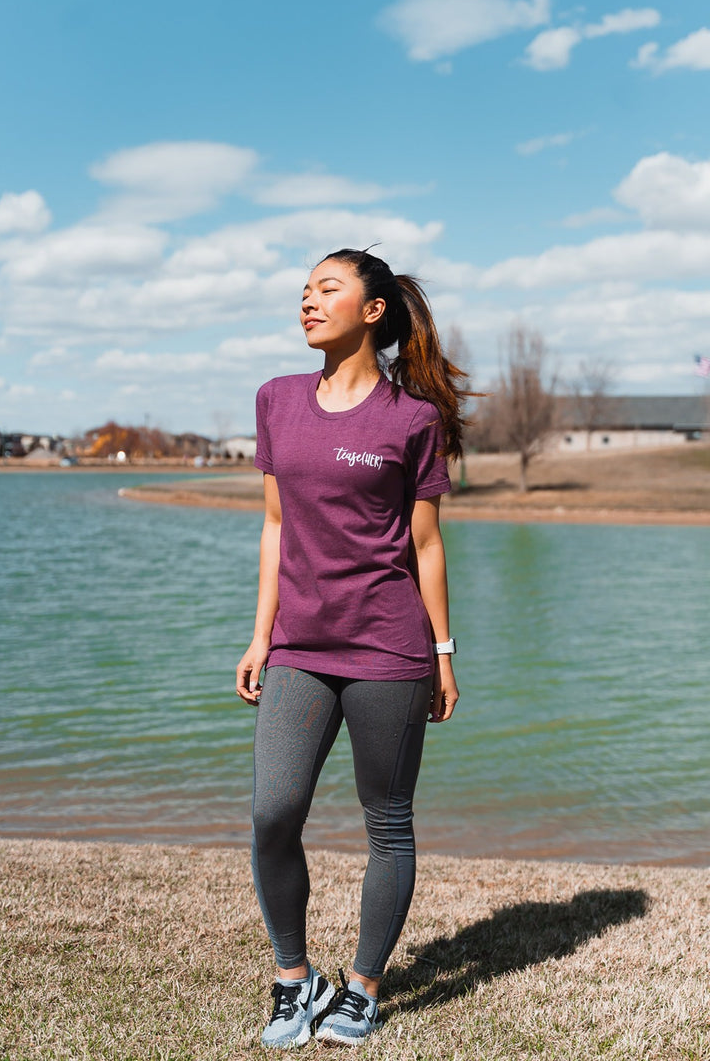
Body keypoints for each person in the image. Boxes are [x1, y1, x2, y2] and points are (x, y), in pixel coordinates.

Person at [236, 247, 467, 1049]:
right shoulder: (276, 399)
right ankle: (293, 980)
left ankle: (363, 989)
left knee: (388, 823)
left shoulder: (414, 421)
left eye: (326, 289)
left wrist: (442, 653)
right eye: (303, 291)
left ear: (373, 310)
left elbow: (426, 544)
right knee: (273, 812)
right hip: (300, 644)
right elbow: (273, 526)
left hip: (388, 650)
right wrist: (261, 633)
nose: (307, 301)